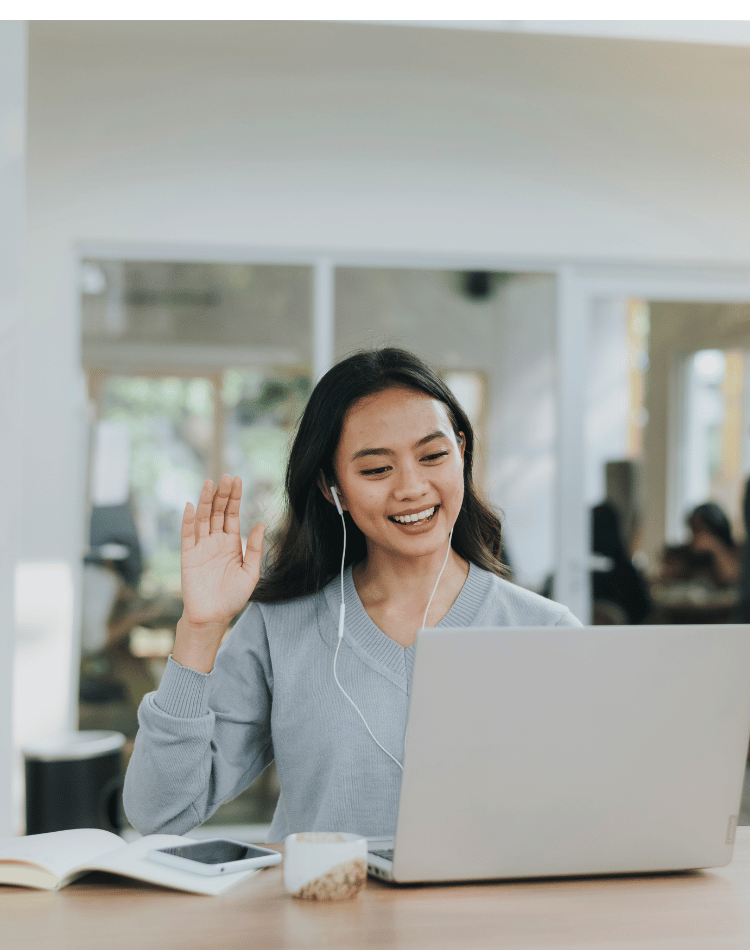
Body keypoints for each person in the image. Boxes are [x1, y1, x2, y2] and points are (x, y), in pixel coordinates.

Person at [123, 348, 581, 841]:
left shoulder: (547, 632)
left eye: (432, 456)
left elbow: (592, 811)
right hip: (316, 912)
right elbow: (158, 811)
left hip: (488, 918)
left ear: (461, 451)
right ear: (331, 486)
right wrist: (201, 628)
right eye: (376, 470)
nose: (411, 487)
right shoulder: (279, 630)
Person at [659, 501, 741, 590]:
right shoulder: (685, 554)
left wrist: (714, 547)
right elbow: (666, 578)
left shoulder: (733, 552)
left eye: (700, 529)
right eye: (693, 530)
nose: (695, 537)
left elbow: (731, 578)